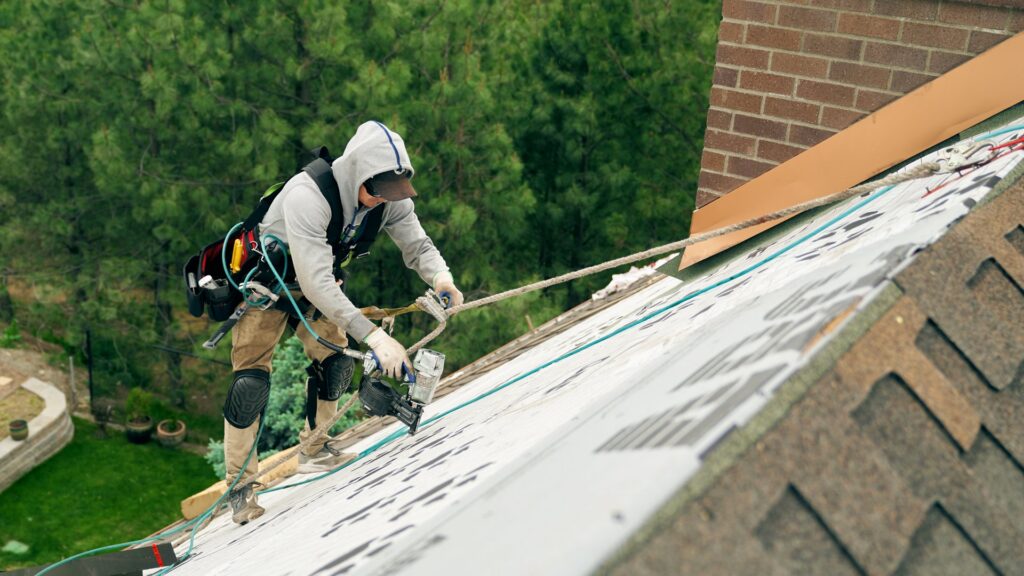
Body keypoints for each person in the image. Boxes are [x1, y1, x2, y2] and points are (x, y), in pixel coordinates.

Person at [223, 121, 464, 525]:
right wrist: (374, 338)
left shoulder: (387, 198)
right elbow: (316, 282)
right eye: (374, 192)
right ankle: (239, 486)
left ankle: (315, 448)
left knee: (334, 362)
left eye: (389, 194)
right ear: (356, 174)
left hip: (318, 285)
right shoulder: (308, 196)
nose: (378, 202)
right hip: (267, 288)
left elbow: (417, 244)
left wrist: (441, 277)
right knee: (250, 383)